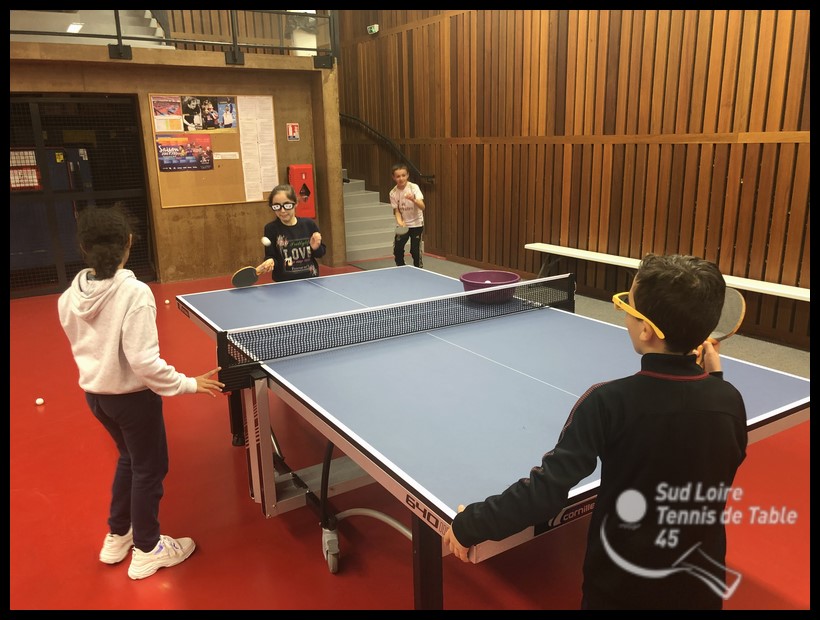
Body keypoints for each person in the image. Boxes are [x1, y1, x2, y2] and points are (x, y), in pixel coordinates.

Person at [443, 254, 748, 610]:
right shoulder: (728, 400)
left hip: (621, 588)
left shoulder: (606, 403)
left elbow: (545, 493)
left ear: (646, 331)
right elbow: (716, 452)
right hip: (699, 587)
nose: (626, 316)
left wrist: (470, 524)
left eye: (629, 308)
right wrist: (713, 379)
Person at [57, 205, 224, 580]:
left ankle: (118, 535)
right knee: (150, 467)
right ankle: (148, 549)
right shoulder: (134, 293)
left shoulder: (69, 297)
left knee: (129, 460)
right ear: (129, 243)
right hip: (132, 400)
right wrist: (188, 383)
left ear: (83, 247)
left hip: (96, 397)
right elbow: (144, 362)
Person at [257, 183, 326, 282]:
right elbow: (271, 255)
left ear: (295, 203)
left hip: (310, 279)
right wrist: (270, 261)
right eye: (276, 206)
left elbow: (320, 253)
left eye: (287, 205)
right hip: (284, 282)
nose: (282, 210)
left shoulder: (309, 224)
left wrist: (315, 248)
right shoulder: (271, 229)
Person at [388, 163, 425, 268]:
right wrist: (400, 222)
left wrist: (413, 199)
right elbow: (397, 211)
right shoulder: (393, 193)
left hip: (417, 224)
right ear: (393, 177)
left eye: (403, 175)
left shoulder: (414, 188)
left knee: (415, 251)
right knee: (398, 249)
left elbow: (422, 207)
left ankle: (418, 269)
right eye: (398, 176)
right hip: (404, 225)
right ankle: (401, 268)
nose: (401, 178)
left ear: (407, 175)